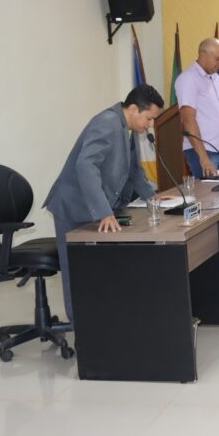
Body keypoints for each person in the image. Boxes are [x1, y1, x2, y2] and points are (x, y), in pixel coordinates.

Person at [43, 85, 169, 325]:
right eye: (149, 118)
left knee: (98, 269)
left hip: (93, 207)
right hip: (74, 207)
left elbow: (133, 170)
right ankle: (82, 327)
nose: (151, 124)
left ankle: (102, 321)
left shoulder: (127, 128)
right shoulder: (107, 122)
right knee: (77, 272)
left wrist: (150, 196)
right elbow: (86, 165)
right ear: (134, 109)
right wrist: (103, 212)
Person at [175, 38, 219, 177]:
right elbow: (188, 120)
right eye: (218, 59)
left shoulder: (216, 78)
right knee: (210, 191)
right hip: (203, 152)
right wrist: (204, 159)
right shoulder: (188, 79)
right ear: (203, 55)